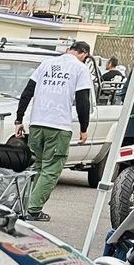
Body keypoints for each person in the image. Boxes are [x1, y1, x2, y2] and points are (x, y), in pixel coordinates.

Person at [14, 40, 94, 222]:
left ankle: (22, 205)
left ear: (68, 49)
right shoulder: (80, 69)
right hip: (59, 126)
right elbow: (83, 100)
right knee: (51, 168)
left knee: (35, 165)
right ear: (84, 54)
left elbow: (27, 92)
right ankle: (33, 210)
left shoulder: (46, 64)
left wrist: (19, 119)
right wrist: (84, 128)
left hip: (36, 123)